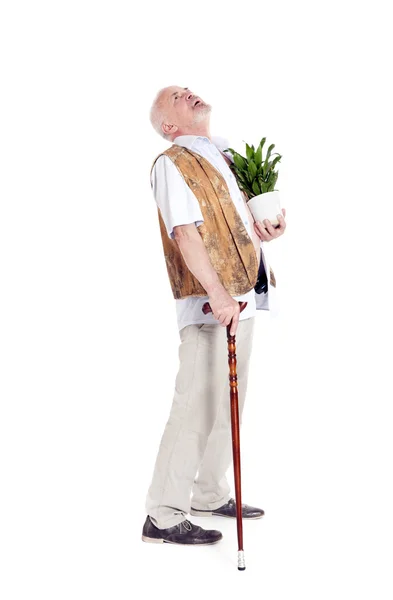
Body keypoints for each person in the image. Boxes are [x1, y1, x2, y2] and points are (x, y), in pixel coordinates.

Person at [142, 86, 287, 546]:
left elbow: (241, 223)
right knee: (195, 406)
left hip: (240, 298)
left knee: (229, 404)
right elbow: (184, 234)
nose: (190, 93)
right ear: (169, 125)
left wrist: (269, 228)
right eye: (178, 97)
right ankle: (162, 515)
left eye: (188, 89)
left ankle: (208, 492)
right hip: (210, 303)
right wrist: (218, 294)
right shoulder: (172, 162)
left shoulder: (223, 156)